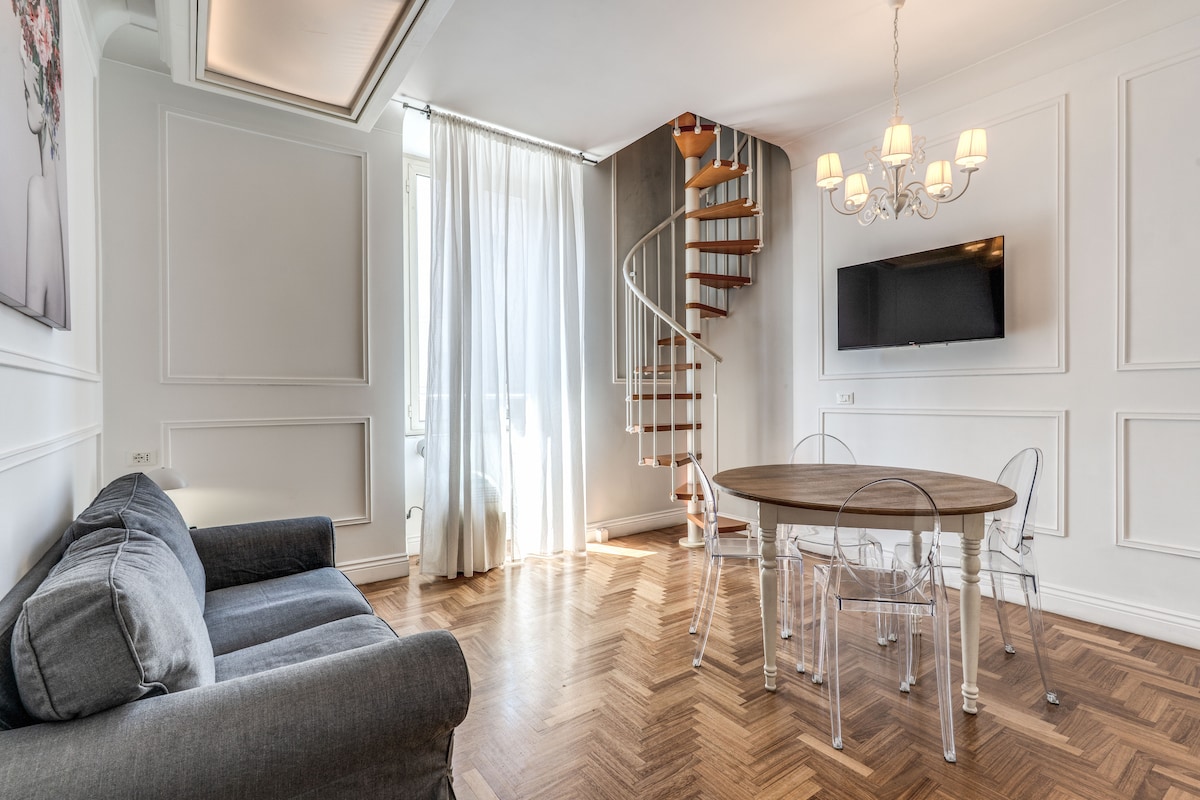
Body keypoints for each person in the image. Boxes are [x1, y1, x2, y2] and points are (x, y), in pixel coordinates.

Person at [12, 0, 67, 329]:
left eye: (26, 90)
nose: (26, 98)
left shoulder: (40, 191)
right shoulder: (58, 203)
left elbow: (30, 319)